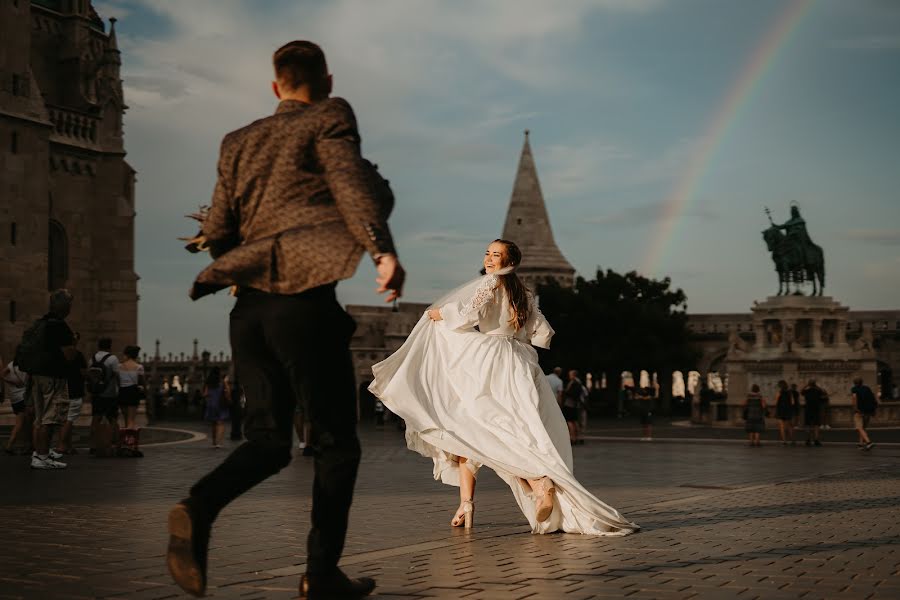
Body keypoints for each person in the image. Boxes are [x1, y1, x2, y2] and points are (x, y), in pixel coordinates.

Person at [166, 41, 404, 600]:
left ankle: (198, 506)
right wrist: (381, 251)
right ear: (326, 81)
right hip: (303, 304)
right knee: (336, 444)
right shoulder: (331, 115)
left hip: (246, 310)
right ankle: (320, 574)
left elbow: (220, 229)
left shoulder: (237, 141)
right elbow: (348, 181)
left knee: (269, 442)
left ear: (275, 87)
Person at [370, 239, 638, 537]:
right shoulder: (524, 293)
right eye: (487, 253)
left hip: (489, 361)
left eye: (496, 255)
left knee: (484, 430)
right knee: (513, 430)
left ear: (509, 261)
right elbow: (543, 332)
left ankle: (523, 487)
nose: (489, 258)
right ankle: (534, 486)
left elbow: (468, 316)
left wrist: (441, 315)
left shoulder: (490, 284)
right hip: (521, 362)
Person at [17, 289, 75, 469]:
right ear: (64, 306)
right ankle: (42, 457)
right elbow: (69, 356)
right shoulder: (60, 326)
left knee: (40, 418)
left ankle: (40, 453)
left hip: (37, 376)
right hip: (53, 377)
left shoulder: (39, 323)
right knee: (51, 418)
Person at [57, 332, 87, 455]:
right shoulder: (77, 354)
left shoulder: (58, 354)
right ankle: (62, 446)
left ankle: (68, 445)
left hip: (61, 389)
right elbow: (84, 372)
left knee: (65, 419)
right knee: (69, 420)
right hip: (75, 389)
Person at [89, 337, 120, 455]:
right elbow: (117, 375)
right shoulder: (113, 358)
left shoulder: (91, 359)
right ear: (110, 346)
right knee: (112, 419)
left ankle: (93, 444)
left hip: (96, 393)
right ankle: (113, 444)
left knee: (95, 419)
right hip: (110, 393)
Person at [117, 345, 145, 456]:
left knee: (125, 419)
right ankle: (131, 445)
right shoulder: (139, 367)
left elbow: (117, 381)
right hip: (133, 392)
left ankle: (124, 444)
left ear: (127, 354)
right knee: (131, 420)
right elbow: (141, 382)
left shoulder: (119, 366)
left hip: (122, 392)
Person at [2, 359, 32, 455]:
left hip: (14, 398)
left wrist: (11, 381)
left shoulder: (11, 364)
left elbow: (1, 374)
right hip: (22, 397)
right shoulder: (28, 365)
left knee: (22, 423)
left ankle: (24, 444)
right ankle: (10, 445)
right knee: (21, 423)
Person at [202, 367, 228, 449]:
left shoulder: (208, 383)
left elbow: (205, 394)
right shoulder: (222, 382)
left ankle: (214, 442)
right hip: (220, 404)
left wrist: (210, 396)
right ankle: (218, 442)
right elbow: (227, 391)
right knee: (220, 423)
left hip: (211, 404)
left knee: (213, 423)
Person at [851, 377, 877, 451]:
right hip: (868, 411)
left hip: (860, 411)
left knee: (859, 428)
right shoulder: (867, 388)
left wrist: (855, 408)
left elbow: (854, 398)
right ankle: (860, 444)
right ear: (862, 382)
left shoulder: (854, 389)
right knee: (863, 428)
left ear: (854, 383)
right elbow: (873, 398)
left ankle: (869, 442)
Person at [801, 379, 827, 447]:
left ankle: (808, 439)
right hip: (816, 409)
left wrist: (806, 385)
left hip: (808, 409)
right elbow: (823, 393)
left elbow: (801, 391)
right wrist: (817, 386)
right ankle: (816, 440)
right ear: (815, 384)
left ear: (809, 384)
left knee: (808, 425)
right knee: (816, 425)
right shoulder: (818, 391)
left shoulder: (806, 391)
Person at [562, 370, 584, 446]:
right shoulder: (579, 383)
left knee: (570, 422)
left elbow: (571, 393)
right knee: (575, 422)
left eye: (570, 375)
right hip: (575, 404)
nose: (569, 376)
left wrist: (565, 391)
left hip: (570, 404)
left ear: (574, 375)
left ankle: (573, 438)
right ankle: (578, 437)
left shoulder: (574, 383)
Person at [774, 380, 795, 446]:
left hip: (781, 410)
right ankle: (792, 440)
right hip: (788, 410)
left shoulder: (779, 393)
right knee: (789, 426)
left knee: (782, 426)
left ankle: (784, 441)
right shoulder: (790, 393)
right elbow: (792, 402)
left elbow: (776, 402)